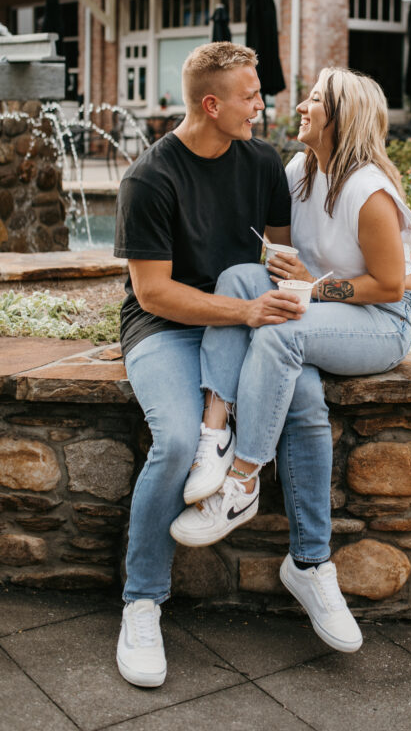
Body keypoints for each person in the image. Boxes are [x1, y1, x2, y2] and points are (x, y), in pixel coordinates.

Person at [170, 67, 411, 654]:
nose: (299, 107)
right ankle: (305, 559)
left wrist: (316, 287)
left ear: (340, 116)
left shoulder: (368, 189)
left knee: (282, 335)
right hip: (317, 317)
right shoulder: (299, 172)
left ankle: (242, 478)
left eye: (313, 100)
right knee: (241, 285)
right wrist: (282, 278)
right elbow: (276, 258)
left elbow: (391, 285)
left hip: (379, 324)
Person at [113, 41, 317, 688]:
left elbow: (274, 260)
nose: (261, 108)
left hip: (238, 323)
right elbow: (153, 293)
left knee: (307, 403)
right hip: (166, 330)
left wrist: (292, 280)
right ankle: (141, 602)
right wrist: (247, 314)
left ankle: (312, 567)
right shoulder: (150, 177)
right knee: (173, 443)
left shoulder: (261, 163)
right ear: (212, 104)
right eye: (250, 98)